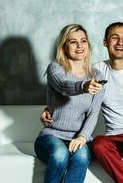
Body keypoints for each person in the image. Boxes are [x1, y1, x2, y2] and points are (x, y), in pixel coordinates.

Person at [42, 22, 123, 183]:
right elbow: (68, 89)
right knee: (98, 144)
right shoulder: (97, 72)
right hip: (115, 139)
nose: (120, 42)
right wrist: (49, 108)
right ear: (105, 42)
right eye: (115, 38)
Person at [34, 24, 105, 183]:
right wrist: (83, 86)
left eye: (83, 41)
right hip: (51, 136)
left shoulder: (97, 76)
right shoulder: (55, 69)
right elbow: (63, 86)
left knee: (81, 158)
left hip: (78, 138)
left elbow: (93, 113)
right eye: (73, 42)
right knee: (60, 155)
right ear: (64, 46)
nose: (80, 46)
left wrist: (82, 137)